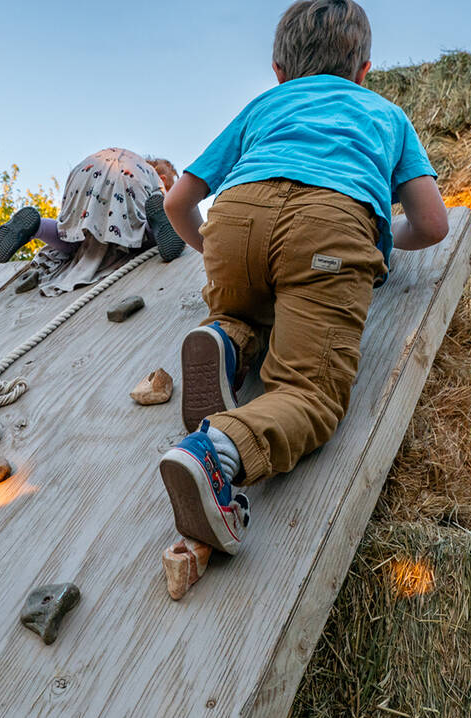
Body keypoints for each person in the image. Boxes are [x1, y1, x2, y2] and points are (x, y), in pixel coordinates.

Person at [158, 0, 449, 555]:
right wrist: (379, 243)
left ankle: (225, 336)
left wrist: (211, 249)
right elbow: (433, 223)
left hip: (235, 220)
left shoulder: (266, 105)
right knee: (310, 393)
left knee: (247, 302)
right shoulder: (386, 114)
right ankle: (215, 453)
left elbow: (179, 200)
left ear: (279, 71)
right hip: (330, 227)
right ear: (364, 71)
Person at [0, 148, 186, 296]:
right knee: (137, 231)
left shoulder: (133, 160)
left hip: (87, 169)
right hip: (128, 177)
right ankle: (157, 226)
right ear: (163, 179)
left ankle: (37, 227)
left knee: (71, 233)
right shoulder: (153, 179)